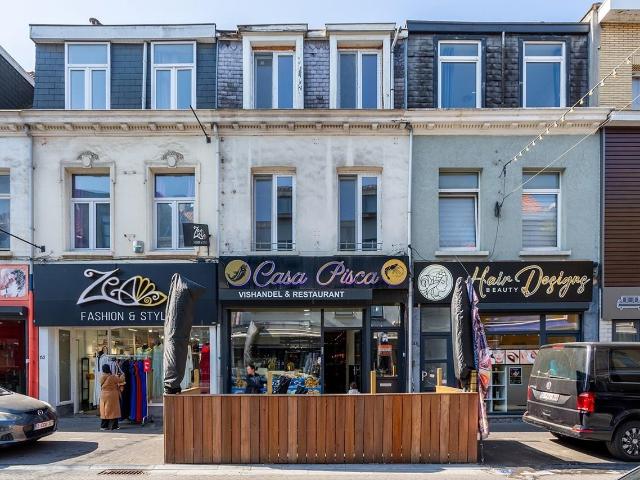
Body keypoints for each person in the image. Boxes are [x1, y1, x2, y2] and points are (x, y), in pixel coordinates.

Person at [100, 364, 123, 431]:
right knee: (114, 411)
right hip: (112, 395)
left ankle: (104, 426)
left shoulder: (102, 377)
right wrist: (121, 375)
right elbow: (121, 380)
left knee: (104, 411)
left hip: (103, 395)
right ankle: (114, 426)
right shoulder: (113, 377)